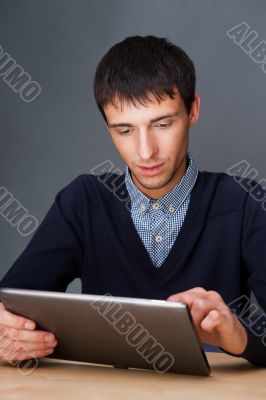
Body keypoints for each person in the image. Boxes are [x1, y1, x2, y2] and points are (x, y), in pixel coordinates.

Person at [0, 35, 265, 366]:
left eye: (163, 124)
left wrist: (238, 335)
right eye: (124, 131)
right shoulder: (83, 202)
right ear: (107, 126)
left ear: (193, 110)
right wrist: (8, 331)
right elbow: (10, 304)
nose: (145, 152)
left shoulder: (245, 203)